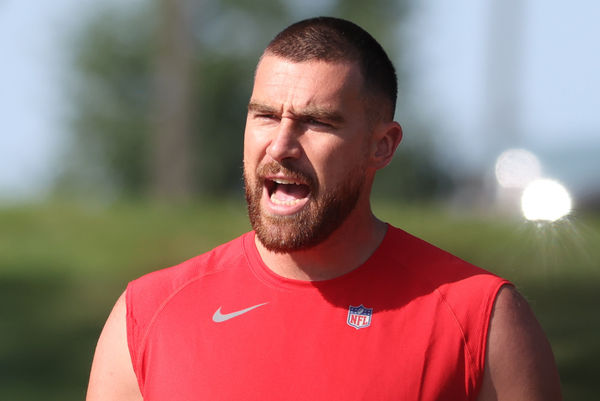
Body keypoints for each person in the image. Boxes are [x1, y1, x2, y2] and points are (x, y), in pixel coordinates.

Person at [86, 17, 562, 401]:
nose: (282, 145)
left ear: (382, 145)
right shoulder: (147, 316)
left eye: (317, 122)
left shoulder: (481, 320)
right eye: (265, 116)